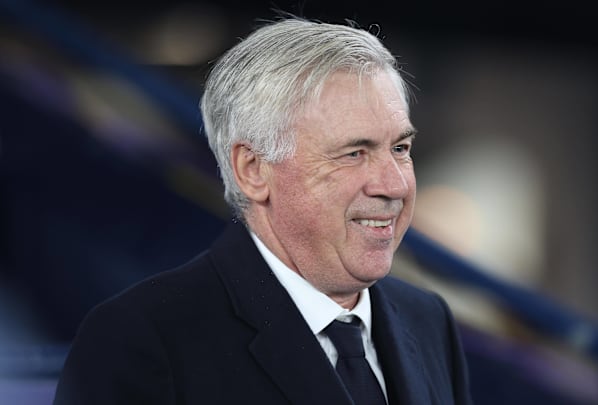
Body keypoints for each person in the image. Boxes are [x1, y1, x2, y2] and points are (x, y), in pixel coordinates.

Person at [53, 17, 473, 405]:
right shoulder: (141, 338)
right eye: (353, 153)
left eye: (400, 148)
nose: (394, 185)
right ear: (253, 170)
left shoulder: (428, 319)